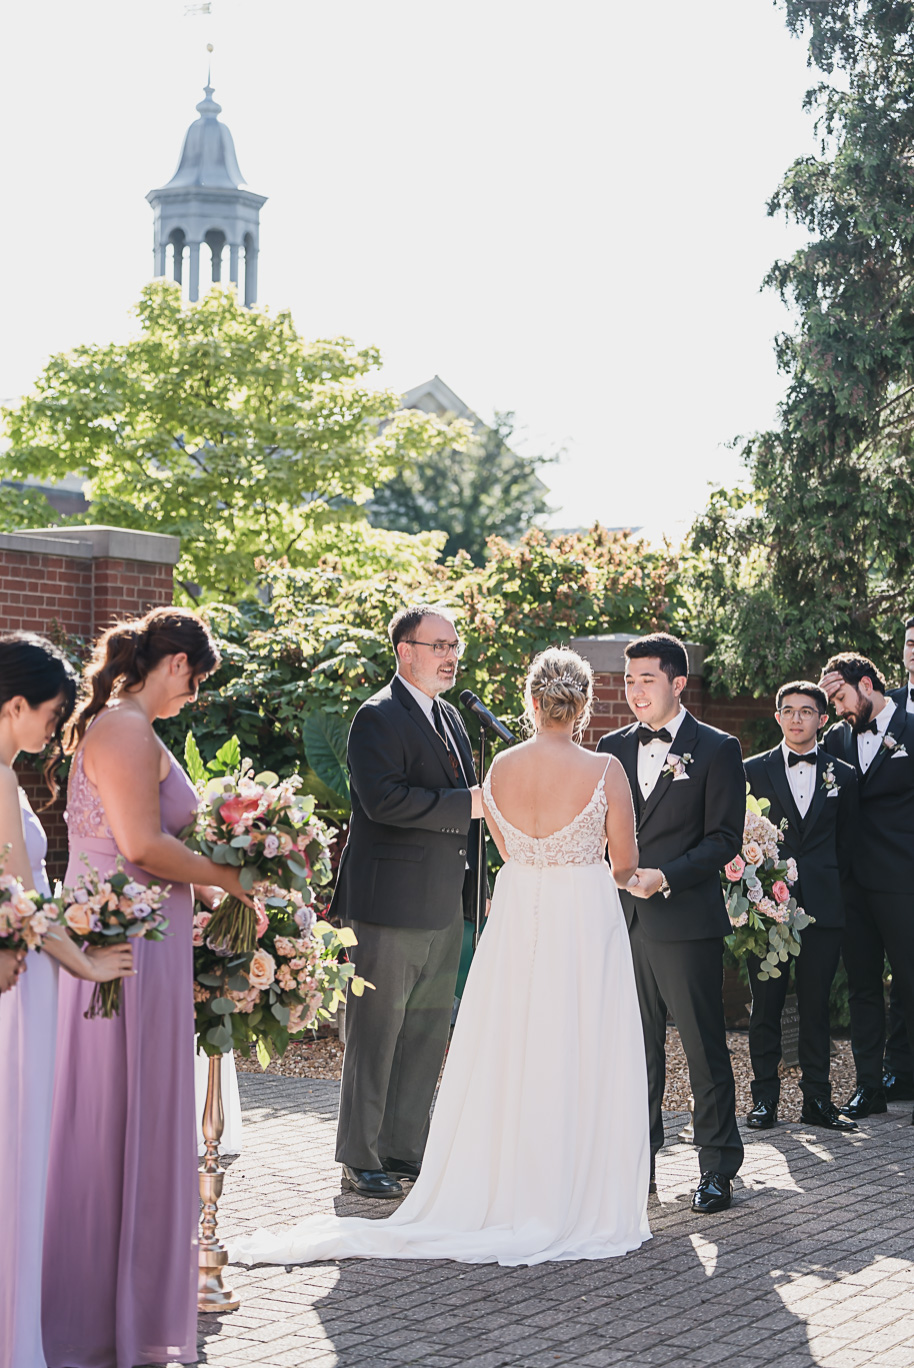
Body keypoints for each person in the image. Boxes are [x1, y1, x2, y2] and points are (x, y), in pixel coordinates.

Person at [229, 646, 651, 1267]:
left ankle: (493, 1177)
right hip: (582, 918)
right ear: (583, 704)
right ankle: (567, 1181)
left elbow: (507, 847)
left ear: (532, 701)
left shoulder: (499, 768)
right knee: (578, 1040)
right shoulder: (606, 769)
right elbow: (622, 865)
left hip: (518, 912)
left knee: (509, 1042)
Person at [41, 609, 253, 1368]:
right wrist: (235, 879)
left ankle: (116, 1305)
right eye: (196, 683)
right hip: (126, 943)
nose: (193, 698)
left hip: (135, 935)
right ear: (175, 665)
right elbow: (140, 844)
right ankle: (100, 1314)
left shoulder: (116, 724)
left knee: (124, 1115)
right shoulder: (126, 729)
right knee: (114, 1117)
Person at [0, 633, 133, 1368]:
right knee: (17, 1155)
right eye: (49, 714)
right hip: (21, 988)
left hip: (18, 971)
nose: (54, 727)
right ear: (14, 704)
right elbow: (18, 900)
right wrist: (86, 961)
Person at [329, 603, 485, 1199]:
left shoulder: (452, 717)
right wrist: (462, 806)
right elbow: (382, 801)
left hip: (447, 905)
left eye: (454, 645)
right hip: (388, 906)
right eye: (438, 645)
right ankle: (360, 1156)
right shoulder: (377, 717)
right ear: (406, 652)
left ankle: (404, 1150)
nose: (450, 656)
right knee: (376, 1032)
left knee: (424, 1034)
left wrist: (479, 895)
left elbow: (472, 810)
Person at [597, 632, 746, 1214]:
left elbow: (724, 840)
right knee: (637, 1053)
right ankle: (640, 1167)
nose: (634, 691)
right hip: (622, 922)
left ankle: (716, 1170)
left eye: (646, 680)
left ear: (677, 683)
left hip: (685, 921)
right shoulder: (609, 747)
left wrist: (667, 876)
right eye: (628, 680)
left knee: (705, 1050)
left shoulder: (716, 749)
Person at [743, 680, 858, 1133]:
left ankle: (817, 1101)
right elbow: (742, 832)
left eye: (806, 711)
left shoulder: (842, 775)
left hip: (824, 909)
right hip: (769, 908)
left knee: (815, 1007)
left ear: (822, 719)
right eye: (788, 710)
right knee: (765, 1005)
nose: (796, 718)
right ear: (777, 717)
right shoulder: (752, 770)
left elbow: (847, 842)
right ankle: (764, 1102)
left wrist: (828, 884)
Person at [819, 652, 914, 1122]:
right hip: (852, 886)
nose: (836, 709)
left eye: (839, 697)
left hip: (903, 882)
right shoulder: (837, 738)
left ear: (868, 685)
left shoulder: (913, 729)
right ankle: (868, 1087)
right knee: (862, 988)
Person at [882, 615, 914, 1100]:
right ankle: (901, 1070)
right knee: (903, 971)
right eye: (910, 642)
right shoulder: (892, 711)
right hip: (897, 865)